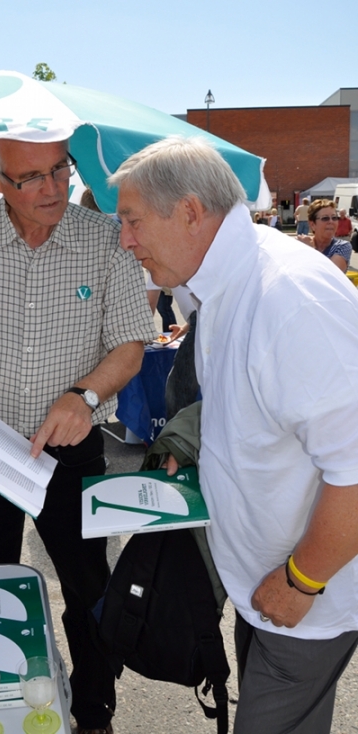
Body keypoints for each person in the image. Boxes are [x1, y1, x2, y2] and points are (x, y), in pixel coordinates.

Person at [110, 136, 358, 734]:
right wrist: (195, 451)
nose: (125, 240)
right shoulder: (219, 282)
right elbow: (249, 410)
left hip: (304, 595)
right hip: (266, 584)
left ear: (191, 211)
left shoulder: (289, 301)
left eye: (133, 221)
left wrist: (301, 582)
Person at [0, 137, 156, 734]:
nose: (53, 188)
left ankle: (94, 711)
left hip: (72, 450)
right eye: (31, 178)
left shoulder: (103, 239)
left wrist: (86, 395)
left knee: (87, 586)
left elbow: (131, 341)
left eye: (59, 170)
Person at [296, 199, 352, 273]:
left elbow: (331, 274)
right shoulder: (300, 244)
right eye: (325, 218)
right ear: (312, 224)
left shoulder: (342, 246)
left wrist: (310, 250)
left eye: (334, 218)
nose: (331, 222)